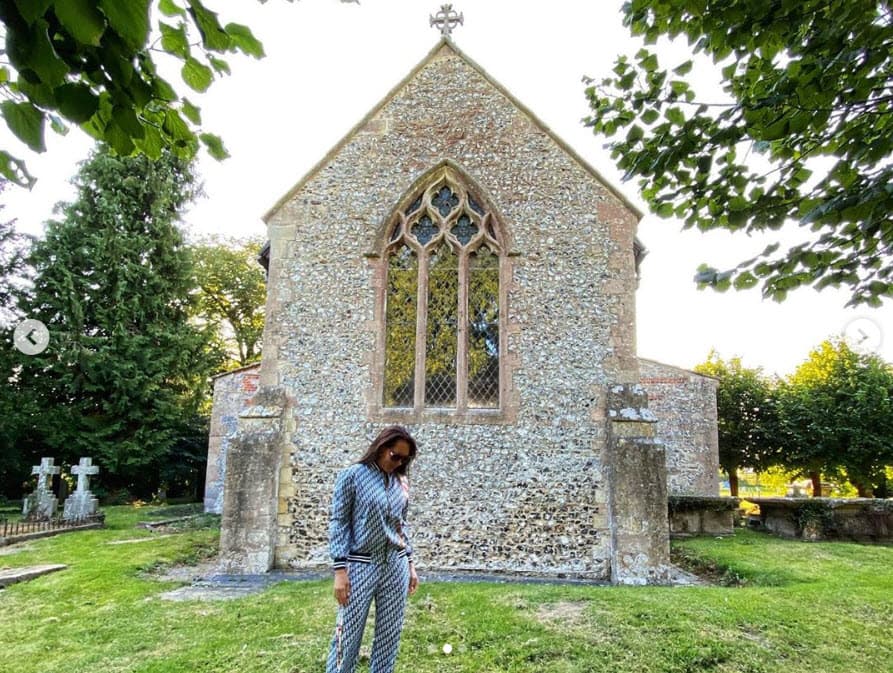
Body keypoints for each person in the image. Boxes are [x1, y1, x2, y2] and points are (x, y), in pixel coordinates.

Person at [326, 425, 420, 673]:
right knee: (347, 635)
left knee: (389, 637)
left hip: (395, 565)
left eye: (404, 459)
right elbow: (339, 522)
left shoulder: (402, 482)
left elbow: (402, 525)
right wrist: (339, 570)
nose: (398, 463)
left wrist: (410, 564)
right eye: (395, 456)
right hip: (360, 564)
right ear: (381, 447)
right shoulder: (353, 476)